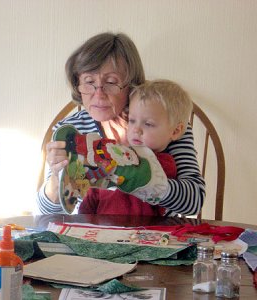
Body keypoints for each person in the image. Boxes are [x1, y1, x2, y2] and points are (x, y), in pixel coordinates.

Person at [36, 32, 205, 216]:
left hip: (156, 237)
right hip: (89, 235)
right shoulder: (70, 131)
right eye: (89, 82)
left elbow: (194, 201)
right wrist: (56, 178)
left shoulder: (164, 125)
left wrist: (147, 182)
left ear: (131, 84)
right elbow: (46, 213)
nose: (98, 94)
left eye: (111, 82)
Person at [78, 79, 192, 215]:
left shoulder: (163, 165)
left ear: (175, 131)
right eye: (131, 121)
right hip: (100, 230)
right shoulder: (117, 154)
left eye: (148, 124)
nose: (136, 130)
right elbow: (94, 194)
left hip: (143, 232)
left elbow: (148, 183)